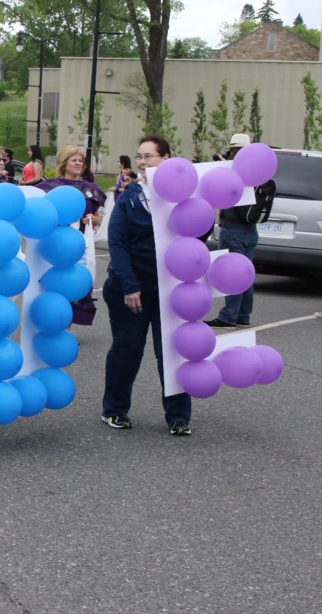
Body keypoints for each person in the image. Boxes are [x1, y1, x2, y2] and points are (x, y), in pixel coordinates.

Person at [101, 134, 192, 437]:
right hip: (131, 287)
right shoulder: (129, 196)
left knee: (172, 352)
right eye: (139, 156)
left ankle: (178, 416)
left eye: (148, 156)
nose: (141, 162)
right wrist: (129, 286)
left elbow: (196, 238)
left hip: (172, 289)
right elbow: (118, 243)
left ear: (166, 158)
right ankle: (114, 410)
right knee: (127, 349)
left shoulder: (184, 197)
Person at [37, 144, 107, 325]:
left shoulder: (91, 189)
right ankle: (53, 324)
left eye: (81, 161)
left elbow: (98, 219)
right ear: (64, 162)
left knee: (74, 287)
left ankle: (65, 327)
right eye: (74, 160)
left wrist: (92, 218)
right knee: (53, 288)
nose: (78, 163)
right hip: (54, 246)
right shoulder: (48, 188)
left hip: (79, 247)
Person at [204, 133, 258, 328]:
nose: (231, 154)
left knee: (232, 273)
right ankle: (243, 315)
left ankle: (229, 315)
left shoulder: (234, 173)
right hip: (250, 229)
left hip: (233, 228)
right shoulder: (256, 171)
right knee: (246, 273)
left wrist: (223, 168)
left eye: (233, 151)